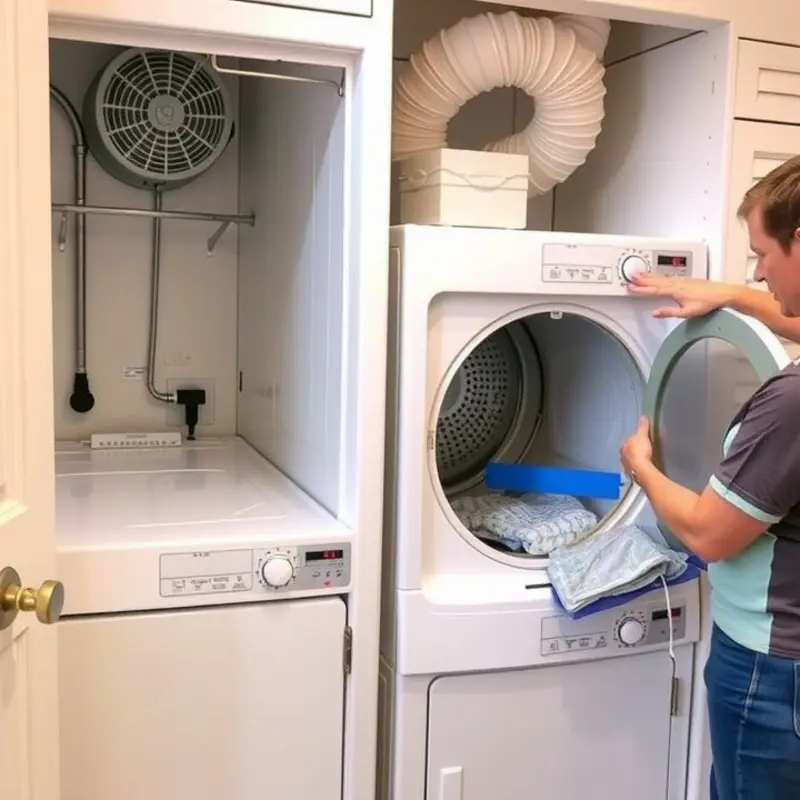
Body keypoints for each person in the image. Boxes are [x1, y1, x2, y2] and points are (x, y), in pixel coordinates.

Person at [620, 154, 800, 800]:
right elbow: (792, 318)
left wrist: (641, 467)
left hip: (769, 667)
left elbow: (704, 532)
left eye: (761, 255)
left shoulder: (790, 402)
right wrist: (728, 296)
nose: (756, 271)